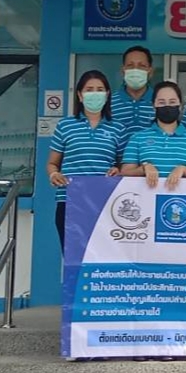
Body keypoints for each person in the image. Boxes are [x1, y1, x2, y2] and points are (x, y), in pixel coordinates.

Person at [47, 70, 123, 250]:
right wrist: (54, 174)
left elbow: (123, 165)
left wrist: (118, 170)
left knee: (102, 257)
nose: (95, 94)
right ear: (80, 95)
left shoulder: (118, 128)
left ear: (107, 94)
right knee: (73, 257)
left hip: (104, 202)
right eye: (89, 90)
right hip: (69, 201)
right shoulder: (65, 126)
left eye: (100, 89)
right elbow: (52, 163)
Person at [121, 81, 186, 189]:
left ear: (180, 106)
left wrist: (184, 170)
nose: (167, 106)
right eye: (161, 102)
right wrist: (144, 168)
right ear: (153, 106)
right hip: (144, 198)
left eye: (172, 102)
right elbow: (125, 171)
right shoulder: (137, 138)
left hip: (183, 198)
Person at [111, 45, 155, 148]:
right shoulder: (108, 103)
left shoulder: (160, 102)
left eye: (141, 66)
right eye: (130, 65)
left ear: (150, 71)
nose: (135, 70)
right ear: (123, 71)